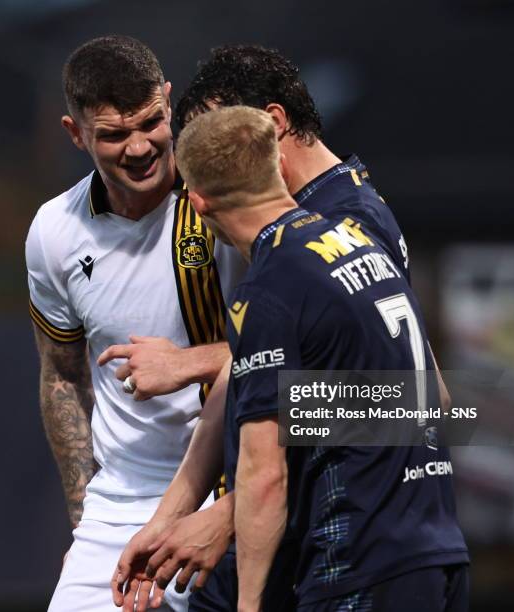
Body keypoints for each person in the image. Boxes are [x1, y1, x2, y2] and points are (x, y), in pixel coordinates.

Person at [113, 45, 451, 610]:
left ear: (269, 125)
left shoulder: (344, 222)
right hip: (302, 531)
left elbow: (416, 398)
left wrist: (230, 512)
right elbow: (256, 377)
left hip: (345, 542)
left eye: (221, 143)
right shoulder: (289, 225)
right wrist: (174, 513)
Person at [173, 105, 470, 611]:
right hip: (437, 552)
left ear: (198, 205)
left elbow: (265, 476)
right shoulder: (360, 239)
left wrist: (248, 607)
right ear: (278, 170)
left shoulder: (267, 291)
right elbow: (432, 397)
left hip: (357, 566)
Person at [25, 35, 244, 612]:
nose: (141, 147)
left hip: (236, 486)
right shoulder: (53, 232)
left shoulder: (229, 196)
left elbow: (316, 352)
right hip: (117, 507)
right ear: (76, 134)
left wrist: (191, 361)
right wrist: (84, 523)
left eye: (150, 122)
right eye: (114, 135)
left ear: (168, 102)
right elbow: (61, 378)